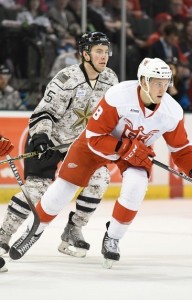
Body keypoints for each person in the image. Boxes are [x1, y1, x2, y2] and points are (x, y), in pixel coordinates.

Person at [9, 57, 192, 267]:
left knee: (137, 186)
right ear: (143, 81)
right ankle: (33, 230)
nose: (162, 88)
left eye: (166, 83)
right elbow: (94, 137)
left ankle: (113, 237)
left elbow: (182, 150)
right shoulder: (119, 96)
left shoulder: (172, 111)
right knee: (64, 187)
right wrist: (124, 148)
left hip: (134, 153)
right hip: (98, 145)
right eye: (157, 82)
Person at [0, 31, 119, 258]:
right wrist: (41, 139)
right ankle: (3, 236)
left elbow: (115, 114)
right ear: (85, 54)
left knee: (100, 179)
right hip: (50, 142)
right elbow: (43, 113)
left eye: (106, 52)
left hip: (81, 146)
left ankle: (73, 230)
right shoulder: (67, 79)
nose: (105, 56)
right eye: (99, 52)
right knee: (37, 189)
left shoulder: (110, 79)